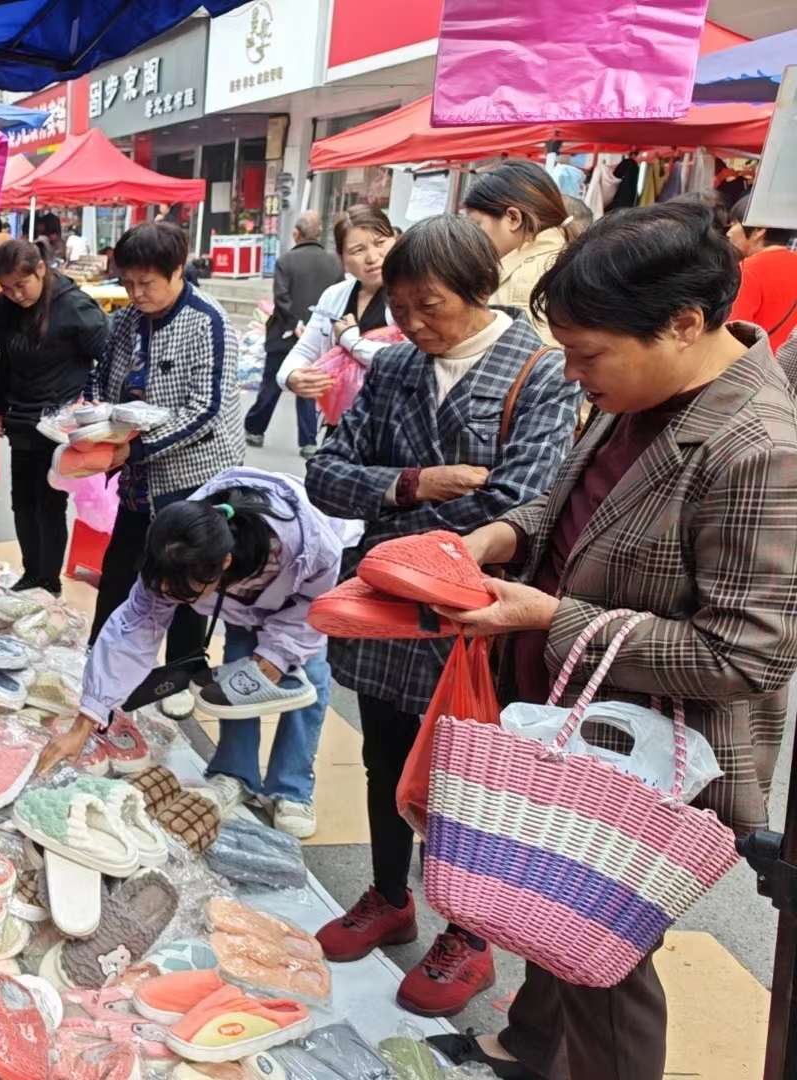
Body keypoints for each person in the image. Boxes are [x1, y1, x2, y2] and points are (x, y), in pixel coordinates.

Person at [427, 200, 797, 1080]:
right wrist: (501, 538)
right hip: (576, 711)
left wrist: (547, 618)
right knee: (551, 914)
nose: (570, 372)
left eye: (587, 354)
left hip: (659, 751)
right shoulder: (636, 387)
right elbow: (571, 510)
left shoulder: (760, 449)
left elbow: (748, 655)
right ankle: (526, 1046)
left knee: (605, 958)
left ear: (685, 324)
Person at [305, 214, 580, 1019]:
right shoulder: (391, 367)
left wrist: (404, 538)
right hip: (386, 611)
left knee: (467, 779)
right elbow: (327, 473)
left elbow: (522, 498)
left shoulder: (540, 370)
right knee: (384, 755)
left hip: (472, 619)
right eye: (400, 305)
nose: (415, 323)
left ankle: (469, 930)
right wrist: (412, 486)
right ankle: (390, 895)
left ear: (479, 290)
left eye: (431, 306)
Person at [41, 468, 352, 838]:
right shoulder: (175, 549)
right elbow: (132, 631)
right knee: (237, 681)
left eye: (184, 594)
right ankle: (235, 773)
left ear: (223, 565)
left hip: (305, 601)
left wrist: (276, 654)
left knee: (307, 681)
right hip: (240, 598)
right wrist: (88, 717)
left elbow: (316, 604)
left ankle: (292, 789)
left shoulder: (309, 545)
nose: (172, 599)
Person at [83, 222, 246, 718]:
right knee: (120, 572)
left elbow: (206, 409)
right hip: (139, 477)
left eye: (146, 284)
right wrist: (92, 421)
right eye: (128, 283)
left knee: (186, 581)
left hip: (195, 474)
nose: (136, 294)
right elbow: (103, 374)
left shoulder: (208, 322)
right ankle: (99, 663)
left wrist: (133, 449)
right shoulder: (129, 318)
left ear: (177, 271)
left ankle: (182, 674)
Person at [0, 238, 108, 595]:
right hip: (21, 417)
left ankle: (49, 580)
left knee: (49, 502)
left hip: (59, 424)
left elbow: (109, 354)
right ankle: (31, 573)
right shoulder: (5, 308)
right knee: (22, 500)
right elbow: (4, 359)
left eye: (21, 286)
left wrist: (97, 411)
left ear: (40, 269)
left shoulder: (74, 307)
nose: (15, 295)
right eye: (7, 288)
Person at [280, 206, 403, 429]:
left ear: (395, 239)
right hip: (341, 427)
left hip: (392, 428)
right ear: (342, 258)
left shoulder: (412, 296)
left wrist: (351, 341)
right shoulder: (335, 295)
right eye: (358, 250)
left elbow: (411, 361)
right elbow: (306, 349)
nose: (372, 258)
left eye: (380, 242)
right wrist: (290, 376)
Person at [247, 211, 342, 455]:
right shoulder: (334, 263)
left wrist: (296, 324)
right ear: (318, 234)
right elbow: (340, 300)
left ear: (296, 234)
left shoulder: (286, 261)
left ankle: (255, 429)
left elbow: (281, 298)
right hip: (320, 335)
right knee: (309, 387)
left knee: (271, 384)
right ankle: (308, 441)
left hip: (285, 334)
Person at [461, 160, 572, 344]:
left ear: (513, 218)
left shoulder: (525, 277)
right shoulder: (563, 257)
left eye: (477, 225)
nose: (471, 237)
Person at [727, 191, 797, 353]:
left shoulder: (747, 270)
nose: (728, 232)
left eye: (735, 223)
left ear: (759, 230)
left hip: (759, 371)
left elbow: (734, 335)